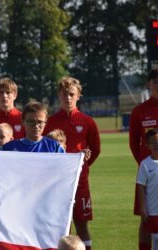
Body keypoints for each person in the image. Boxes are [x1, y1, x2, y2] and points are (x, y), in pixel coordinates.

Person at [43, 77, 101, 250]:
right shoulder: (50, 122)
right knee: (62, 227)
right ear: (58, 96)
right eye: (64, 95)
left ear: (78, 96)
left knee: (82, 226)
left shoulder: (87, 121)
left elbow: (95, 150)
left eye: (71, 94)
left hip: (80, 182)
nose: (67, 98)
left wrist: (81, 168)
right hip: (57, 183)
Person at [129, 65, 158, 250]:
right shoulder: (139, 111)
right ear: (148, 84)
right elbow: (134, 143)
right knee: (146, 217)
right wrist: (147, 166)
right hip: (149, 174)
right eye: (156, 82)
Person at [137, 129, 158, 250]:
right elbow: (141, 186)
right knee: (157, 238)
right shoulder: (145, 164)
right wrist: (142, 208)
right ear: (147, 145)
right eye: (153, 142)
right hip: (154, 209)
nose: (157, 144)